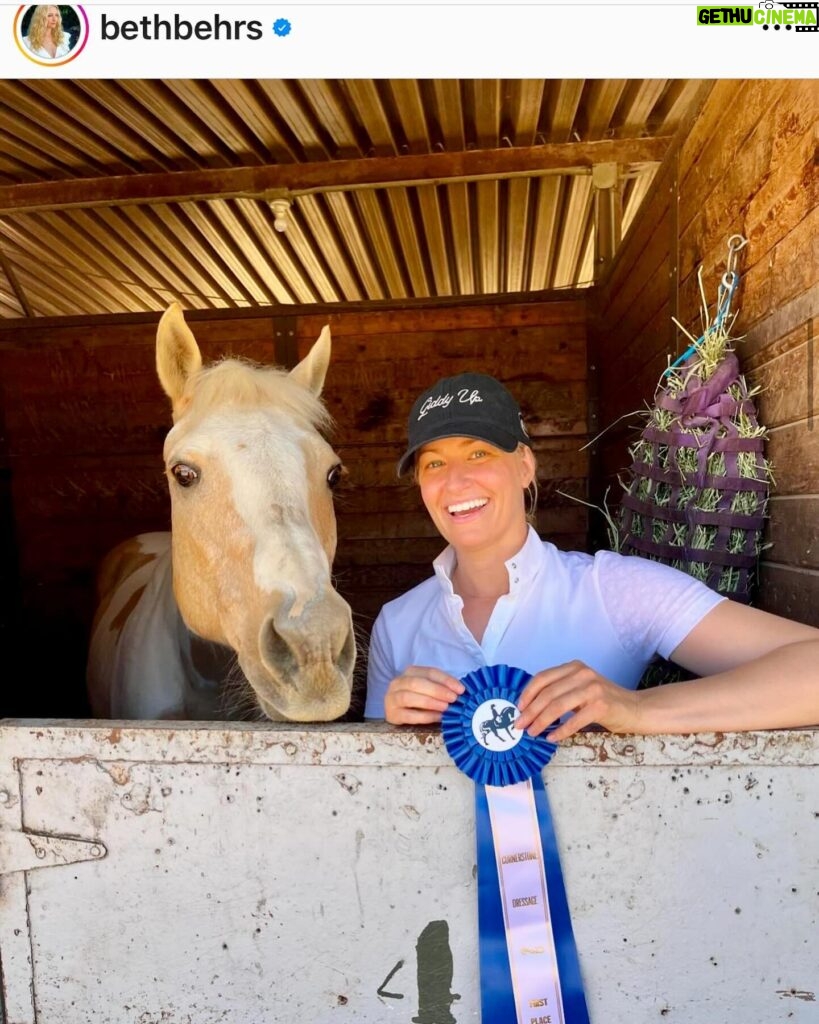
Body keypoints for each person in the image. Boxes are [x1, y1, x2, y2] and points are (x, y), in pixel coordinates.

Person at [364, 371, 819, 739]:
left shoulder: (614, 590)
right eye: (434, 463)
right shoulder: (397, 624)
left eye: (478, 453)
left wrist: (636, 709)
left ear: (524, 466)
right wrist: (391, 730)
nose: (456, 482)